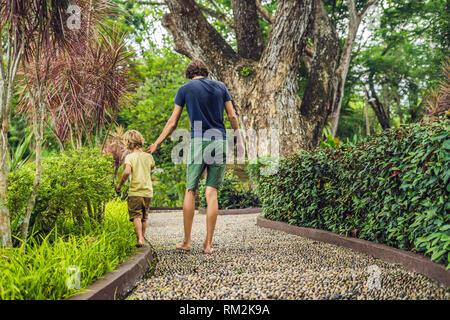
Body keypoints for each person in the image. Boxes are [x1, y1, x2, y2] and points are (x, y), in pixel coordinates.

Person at [147, 60, 243, 254]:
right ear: (205, 72)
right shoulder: (221, 87)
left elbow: (172, 122)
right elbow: (232, 116)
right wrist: (238, 139)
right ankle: (208, 245)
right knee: (212, 192)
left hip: (198, 140)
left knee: (191, 190)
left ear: (190, 74)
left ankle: (187, 241)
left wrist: (157, 142)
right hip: (219, 140)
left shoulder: (184, 89)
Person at [116, 130, 155, 247]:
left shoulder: (130, 157)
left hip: (135, 191)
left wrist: (120, 185)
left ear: (128, 143)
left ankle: (140, 239)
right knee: (144, 217)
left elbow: (127, 172)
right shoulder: (149, 157)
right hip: (148, 192)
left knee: (136, 216)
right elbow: (151, 168)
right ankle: (143, 238)